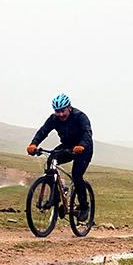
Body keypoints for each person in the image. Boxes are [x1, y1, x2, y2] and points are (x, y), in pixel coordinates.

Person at [27, 93, 94, 221]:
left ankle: (84, 206)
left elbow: (87, 133)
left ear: (69, 108)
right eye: (57, 112)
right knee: (51, 159)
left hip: (83, 149)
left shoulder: (80, 117)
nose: (60, 114)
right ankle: (55, 197)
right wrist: (33, 144)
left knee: (76, 175)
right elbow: (43, 131)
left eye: (63, 111)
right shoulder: (54, 119)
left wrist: (81, 146)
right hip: (67, 146)